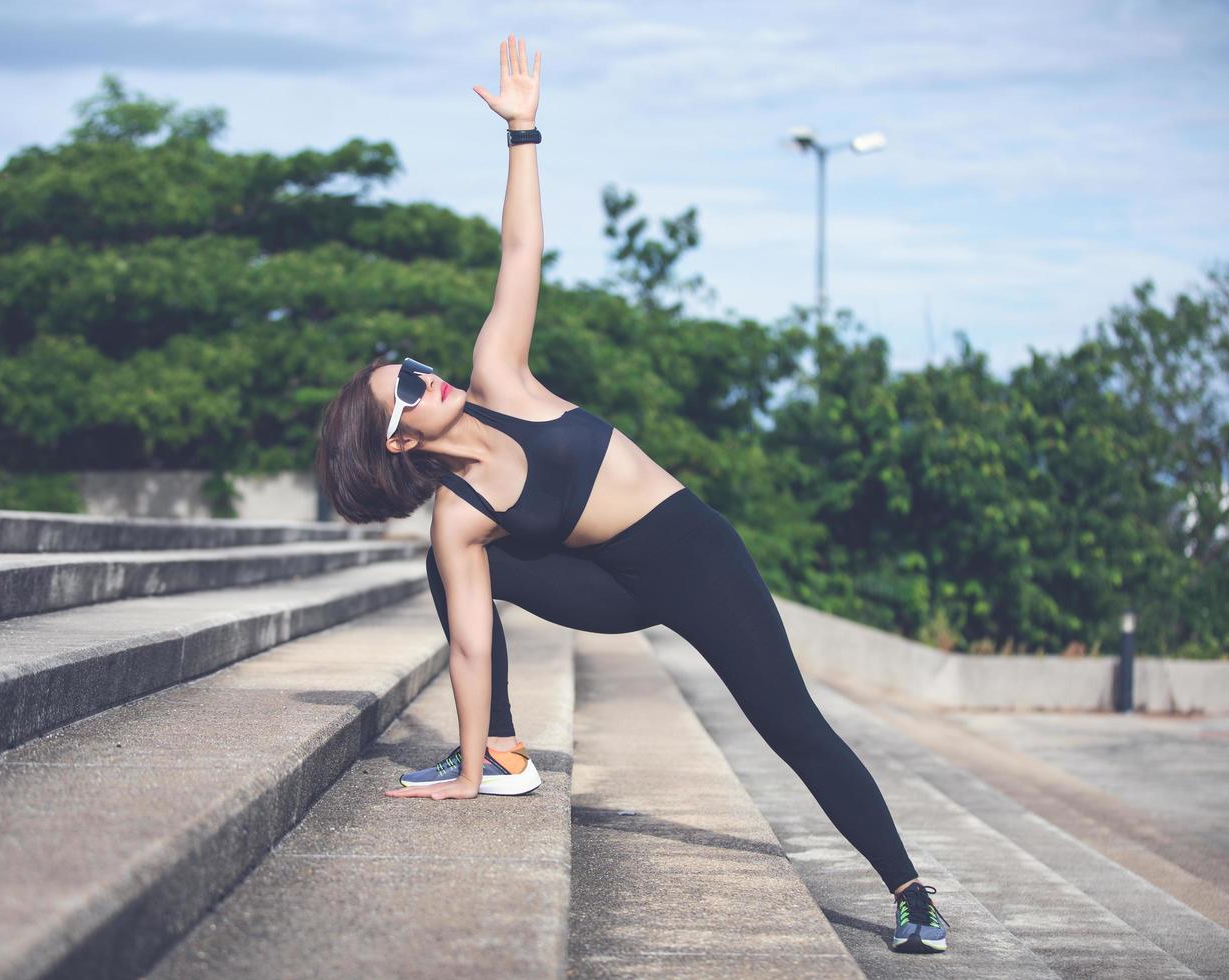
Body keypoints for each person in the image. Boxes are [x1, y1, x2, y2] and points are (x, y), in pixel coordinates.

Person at [314, 34, 949, 955]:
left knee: (790, 724)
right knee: (449, 570)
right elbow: (465, 639)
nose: (422, 376)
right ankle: (495, 757)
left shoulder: (503, 376)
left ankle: (910, 890)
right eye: (403, 391)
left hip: (692, 555)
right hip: (607, 589)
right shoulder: (460, 517)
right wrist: (459, 776)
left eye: (408, 367)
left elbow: (522, 245)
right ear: (398, 439)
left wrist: (524, 133)